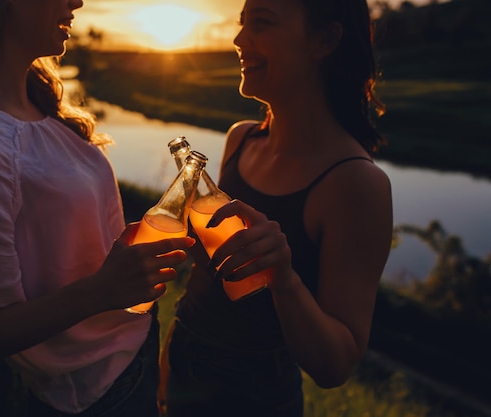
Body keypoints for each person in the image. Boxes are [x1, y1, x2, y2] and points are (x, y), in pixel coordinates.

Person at [0, 0, 195, 416]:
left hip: (134, 354)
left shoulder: (37, 108)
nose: (76, 1)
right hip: (91, 394)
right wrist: (103, 290)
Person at [163, 0, 393, 416]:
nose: (238, 40)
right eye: (241, 24)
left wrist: (284, 279)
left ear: (324, 40)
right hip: (183, 359)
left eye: (261, 24)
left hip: (253, 397)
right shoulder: (241, 139)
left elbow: (336, 363)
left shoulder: (356, 183)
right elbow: (211, 277)